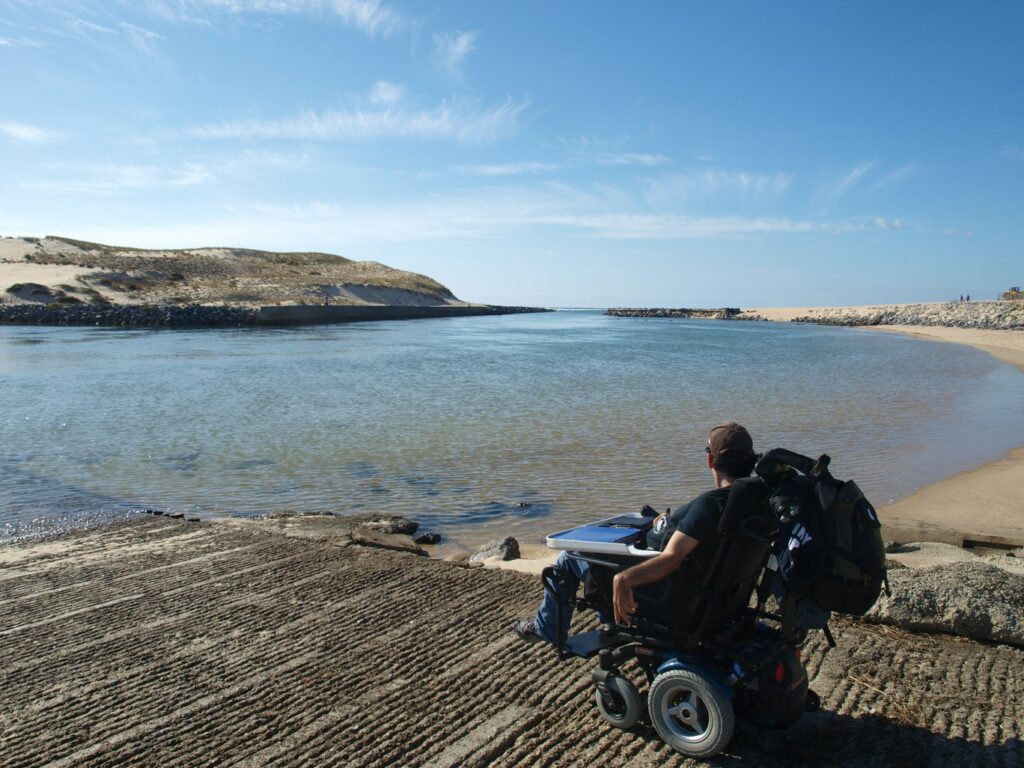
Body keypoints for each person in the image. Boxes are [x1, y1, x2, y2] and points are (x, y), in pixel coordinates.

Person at [512, 422, 758, 644]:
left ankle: (548, 629)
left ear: (710, 462)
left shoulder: (710, 506)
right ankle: (611, 621)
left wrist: (625, 579)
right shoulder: (749, 505)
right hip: (712, 596)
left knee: (570, 558)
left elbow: (671, 559)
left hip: (666, 593)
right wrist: (667, 522)